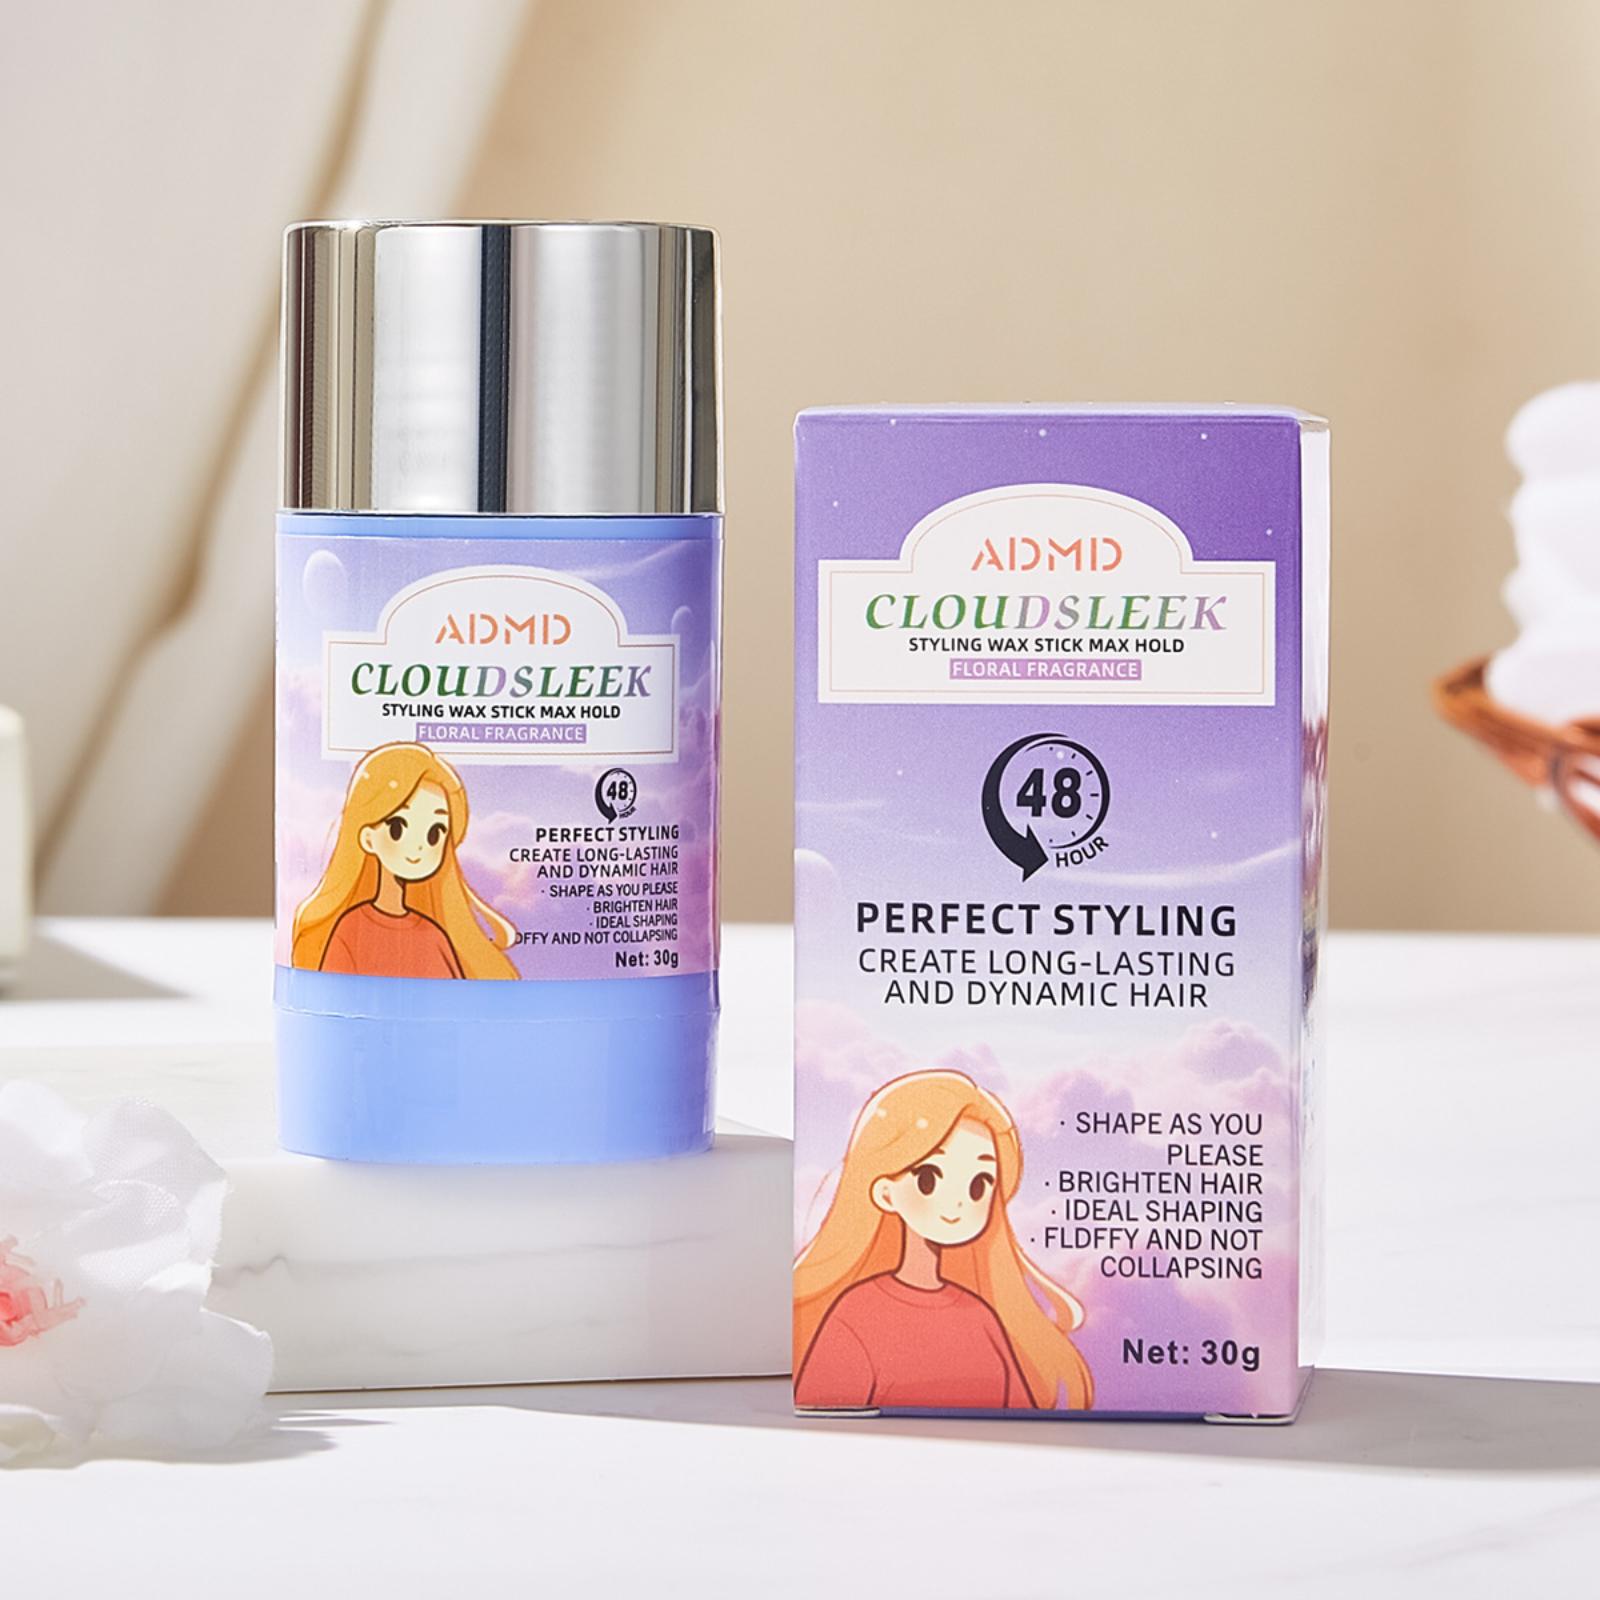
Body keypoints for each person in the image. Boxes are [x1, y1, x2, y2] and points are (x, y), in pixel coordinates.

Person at [795, 1070, 1092, 1411]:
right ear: (886, 1192)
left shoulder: (981, 1317)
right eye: (928, 1178)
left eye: (979, 1184)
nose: (957, 1203)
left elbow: (1020, 1412)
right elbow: (828, 1403)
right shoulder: (855, 1314)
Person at [292, 742, 518, 980]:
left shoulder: (434, 936)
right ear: (368, 838)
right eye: (397, 827)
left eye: (435, 833)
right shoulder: (350, 928)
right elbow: (335, 992)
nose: (418, 846)